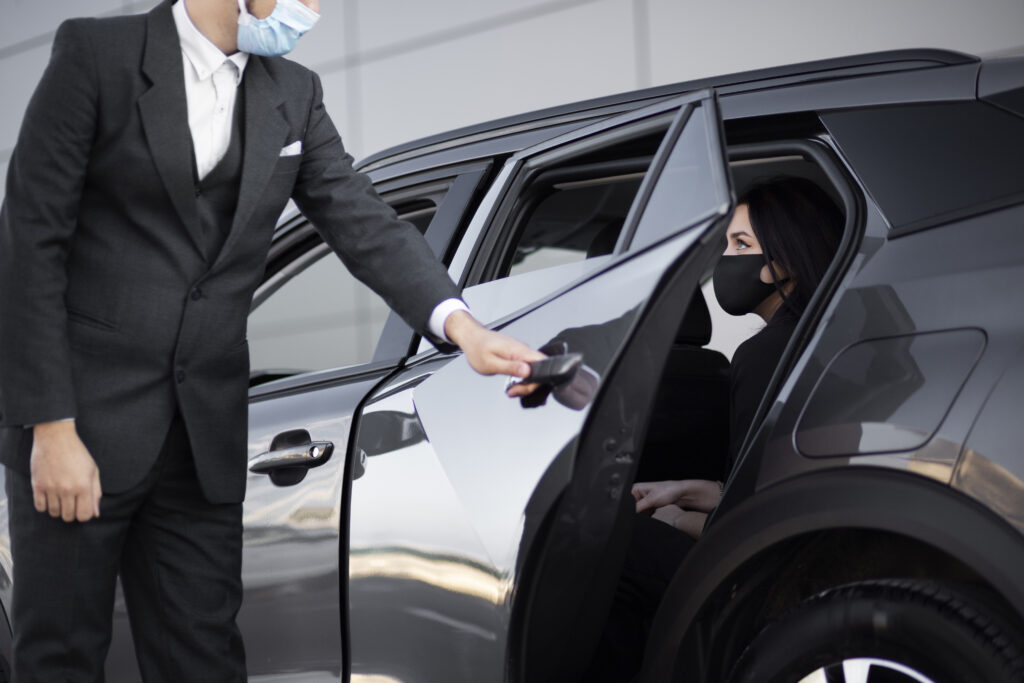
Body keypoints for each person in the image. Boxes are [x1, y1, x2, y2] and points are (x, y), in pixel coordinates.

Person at [0, 0, 541, 680]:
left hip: (201, 440)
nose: (310, 8)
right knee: (60, 659)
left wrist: (464, 329)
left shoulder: (294, 92)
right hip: (82, 428)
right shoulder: (96, 55)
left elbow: (361, 220)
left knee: (205, 658)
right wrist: (50, 425)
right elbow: (30, 243)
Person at [586, 176, 844, 682]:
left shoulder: (766, 353)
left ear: (785, 263)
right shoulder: (829, 336)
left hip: (767, 579)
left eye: (741, 244)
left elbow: (753, 527)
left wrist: (677, 521)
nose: (725, 261)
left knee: (605, 547)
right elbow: (777, 485)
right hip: (821, 552)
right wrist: (687, 490)